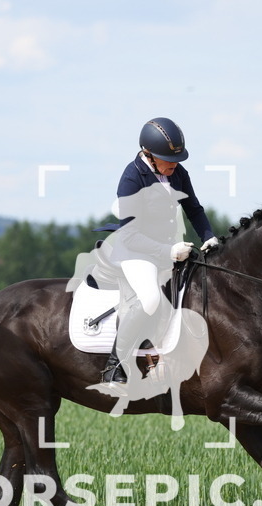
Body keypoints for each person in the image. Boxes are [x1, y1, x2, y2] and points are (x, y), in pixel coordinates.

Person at [98, 117, 220, 389]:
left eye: (176, 159)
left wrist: (208, 236)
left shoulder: (177, 173)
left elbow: (194, 209)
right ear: (148, 155)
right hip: (135, 252)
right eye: (167, 159)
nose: (174, 165)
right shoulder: (132, 177)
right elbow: (129, 234)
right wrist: (169, 251)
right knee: (151, 298)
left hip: (170, 249)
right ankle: (114, 363)